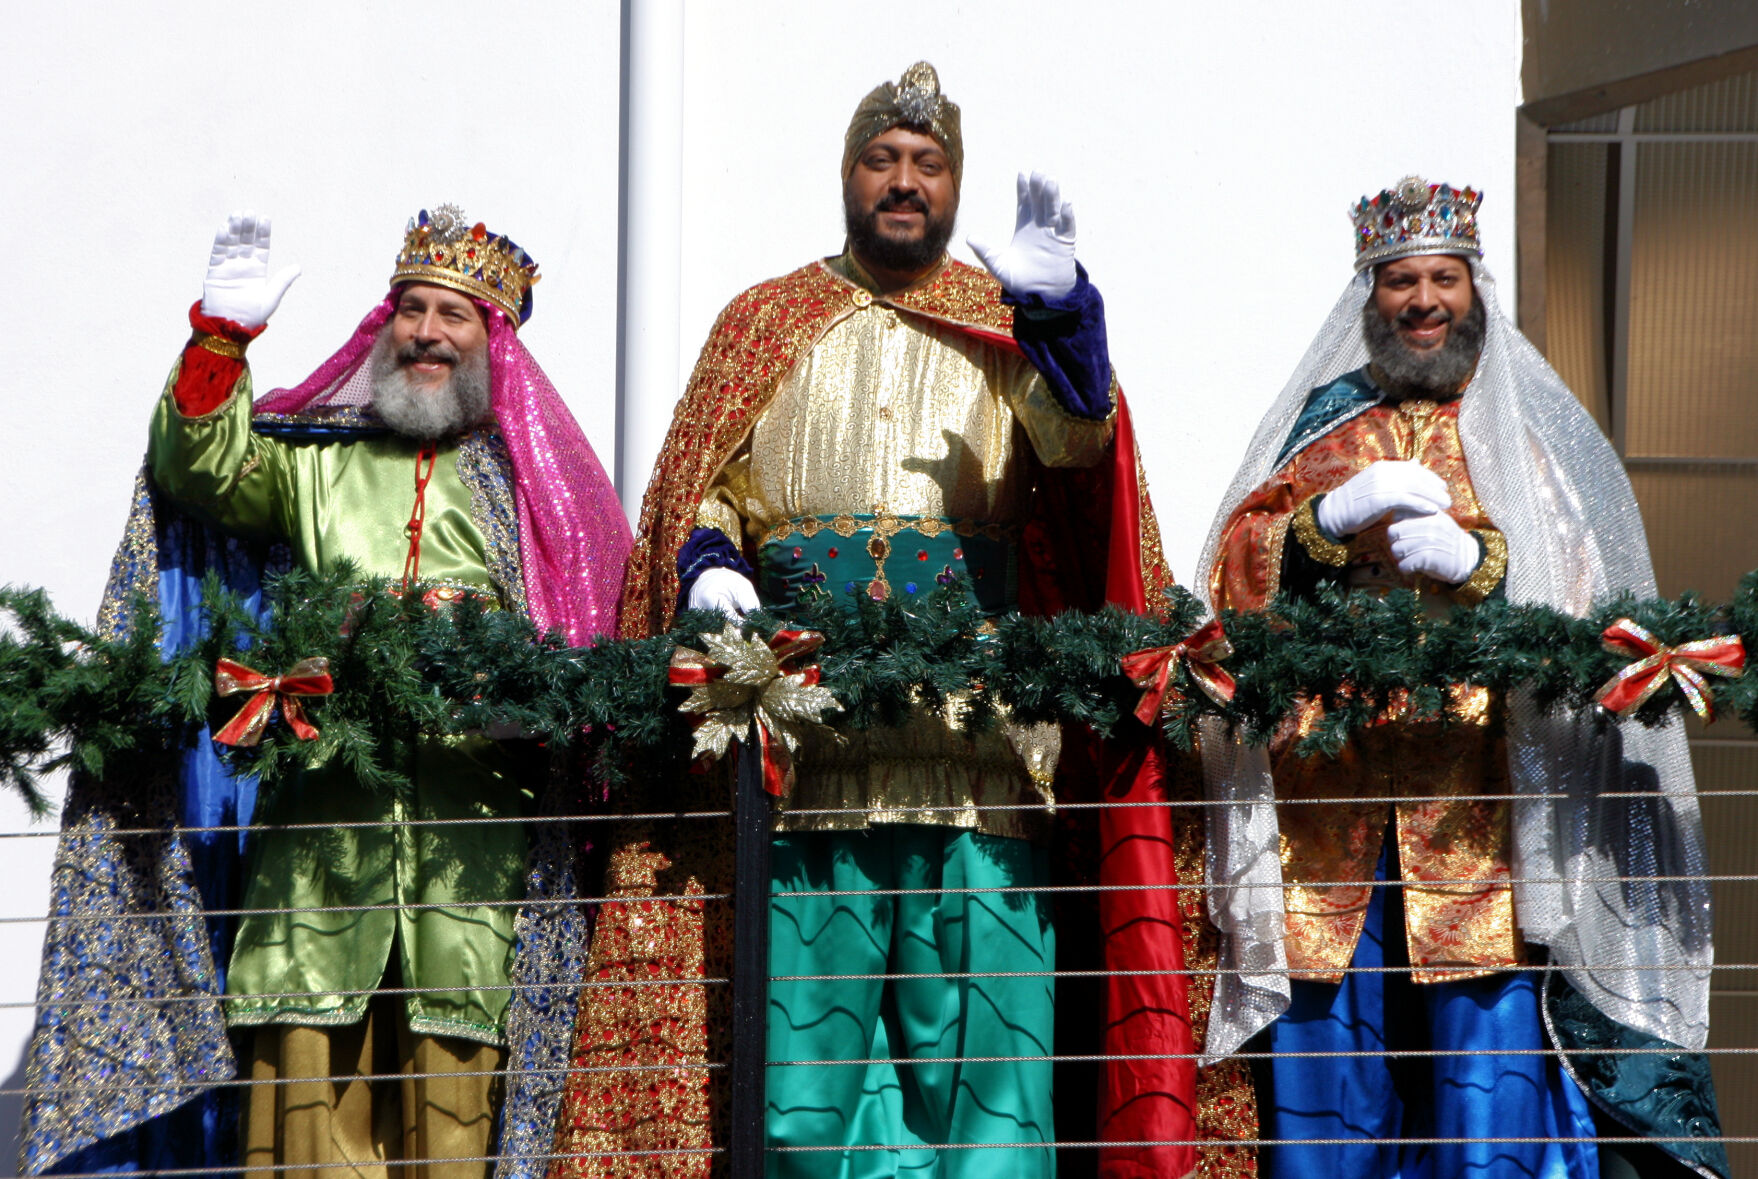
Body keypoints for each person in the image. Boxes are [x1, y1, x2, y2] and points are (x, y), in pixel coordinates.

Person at [545, 63, 1255, 1179]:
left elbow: (1081, 466)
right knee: (805, 1102)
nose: (905, 182)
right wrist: (712, 562)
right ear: (847, 174)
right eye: (883, 159)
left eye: (929, 165)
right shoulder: (763, 321)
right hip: (806, 776)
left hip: (980, 770)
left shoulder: (1004, 325)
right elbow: (706, 486)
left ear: (955, 187)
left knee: (988, 1096)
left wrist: (1064, 323)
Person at [18, 207, 629, 1178]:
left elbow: (592, 644)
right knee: (301, 1131)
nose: (427, 331)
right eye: (412, 310)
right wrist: (221, 338)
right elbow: (202, 472)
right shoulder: (320, 458)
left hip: (472, 873)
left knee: (460, 1130)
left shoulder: (534, 488)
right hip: (317, 860)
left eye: (453, 315)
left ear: (493, 343)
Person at [1199, 176, 1727, 1178]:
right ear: (1372, 299)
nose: (1424, 300)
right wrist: (1324, 520)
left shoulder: (1515, 436)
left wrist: (1482, 564)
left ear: (1473, 291)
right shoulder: (1322, 431)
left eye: (1444, 278)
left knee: (1485, 1100)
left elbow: (1583, 590)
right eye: (1401, 280)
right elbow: (1231, 569)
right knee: (1327, 1094)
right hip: (1332, 810)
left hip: (1473, 817)